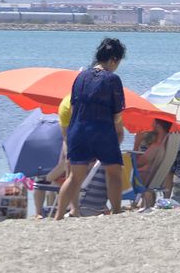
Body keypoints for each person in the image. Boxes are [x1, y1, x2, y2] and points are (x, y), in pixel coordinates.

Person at [55, 38, 129, 219]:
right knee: (114, 172)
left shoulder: (80, 77)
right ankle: (117, 210)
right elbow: (117, 112)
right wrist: (118, 130)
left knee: (74, 177)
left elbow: (73, 107)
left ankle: (57, 216)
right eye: (118, 62)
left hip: (78, 130)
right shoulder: (112, 79)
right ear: (113, 59)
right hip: (102, 131)